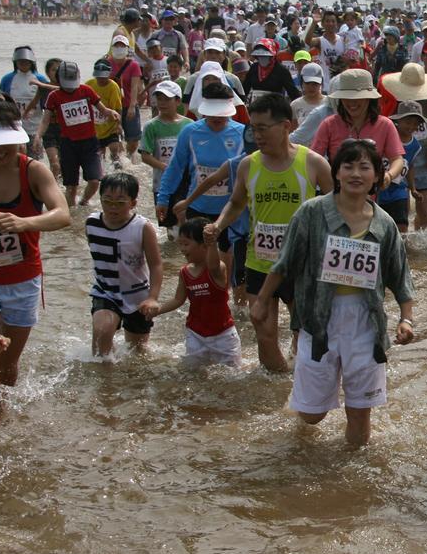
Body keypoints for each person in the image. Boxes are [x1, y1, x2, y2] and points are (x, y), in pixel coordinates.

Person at [254, 140, 416, 448]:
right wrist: (262, 300)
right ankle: (303, 411)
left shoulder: (384, 224)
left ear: (376, 175)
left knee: (360, 413)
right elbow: (284, 262)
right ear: (336, 172)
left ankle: (351, 479)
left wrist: (407, 319)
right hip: (318, 321)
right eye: (348, 166)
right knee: (312, 415)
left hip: (366, 324)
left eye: (364, 167)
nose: (356, 173)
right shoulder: (312, 213)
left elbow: (399, 276)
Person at [0, 99, 71, 422]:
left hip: (23, 281)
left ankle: (6, 420)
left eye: (4, 144)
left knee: (6, 366)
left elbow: (63, 215)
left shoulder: (33, 171)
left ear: (17, 137)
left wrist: (23, 223)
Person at [204, 94, 332, 372]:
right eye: (253, 128)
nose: (256, 135)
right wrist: (219, 224)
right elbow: (236, 203)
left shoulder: (314, 164)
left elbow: (337, 210)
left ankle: (301, 389)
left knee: (305, 336)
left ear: (286, 126)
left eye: (263, 128)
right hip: (260, 262)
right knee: (264, 335)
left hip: (302, 264)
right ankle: (277, 392)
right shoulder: (249, 165)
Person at [156, 82, 246, 280]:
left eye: (222, 114)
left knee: (226, 269)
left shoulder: (243, 134)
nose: (217, 118)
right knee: (197, 263)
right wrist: (163, 198)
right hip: (197, 207)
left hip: (230, 211)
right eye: (212, 114)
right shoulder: (190, 132)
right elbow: (175, 168)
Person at [147, 217, 241, 367]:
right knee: (192, 373)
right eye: (180, 244)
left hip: (223, 335)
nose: (182, 249)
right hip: (196, 334)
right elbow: (178, 300)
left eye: (186, 244)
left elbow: (213, 264)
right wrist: (158, 310)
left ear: (204, 246)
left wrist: (212, 241)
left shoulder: (217, 269)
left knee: (232, 375)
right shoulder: (184, 273)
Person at [86, 172, 162, 358]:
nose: (112, 208)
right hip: (106, 291)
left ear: (133, 203)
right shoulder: (92, 223)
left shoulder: (143, 227)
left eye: (120, 203)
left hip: (138, 296)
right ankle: (105, 382)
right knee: (102, 334)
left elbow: (156, 265)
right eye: (107, 201)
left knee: (138, 352)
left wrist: (152, 297)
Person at [36, 62, 120, 207]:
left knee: (95, 181)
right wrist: (38, 136)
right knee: (71, 187)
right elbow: (45, 120)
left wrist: (111, 113)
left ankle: (83, 202)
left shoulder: (86, 90)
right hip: (68, 144)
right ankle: (71, 215)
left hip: (90, 143)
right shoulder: (54, 96)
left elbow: (103, 109)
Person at [138, 81, 192, 236]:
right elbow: (145, 156)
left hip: (185, 181)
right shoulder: (151, 126)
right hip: (162, 182)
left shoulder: (189, 125)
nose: (161, 103)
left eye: (166, 99)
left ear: (177, 101)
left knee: (185, 219)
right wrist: (165, 167)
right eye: (159, 98)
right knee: (169, 225)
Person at [386, 102, 427, 232]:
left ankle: (402, 251)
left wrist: (413, 189)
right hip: (380, 188)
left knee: (402, 227)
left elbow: (410, 166)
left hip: (399, 190)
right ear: (398, 120)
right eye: (408, 122)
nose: (411, 126)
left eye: (416, 123)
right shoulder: (387, 136)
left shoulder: (415, 146)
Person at [0, 46, 49, 153]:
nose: (23, 64)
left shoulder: (40, 79)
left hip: (34, 128)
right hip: (13, 128)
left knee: (34, 162)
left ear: (31, 62)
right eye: (20, 62)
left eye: (26, 62)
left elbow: (47, 105)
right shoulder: (7, 79)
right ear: (15, 62)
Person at [86, 59, 124, 170]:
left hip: (110, 125)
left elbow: (118, 108)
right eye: (98, 77)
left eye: (104, 77)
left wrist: (119, 124)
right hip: (95, 127)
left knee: (114, 148)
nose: (101, 79)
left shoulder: (113, 87)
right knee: (99, 156)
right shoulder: (89, 85)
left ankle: (117, 167)